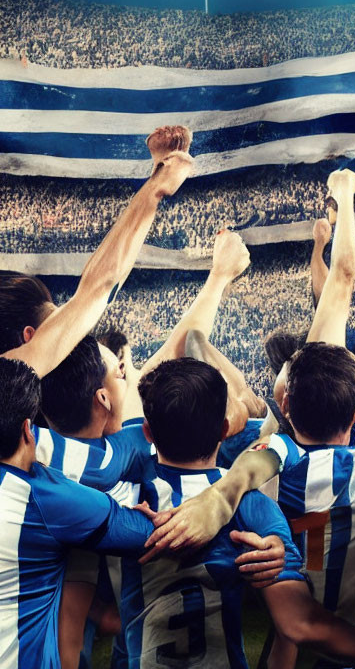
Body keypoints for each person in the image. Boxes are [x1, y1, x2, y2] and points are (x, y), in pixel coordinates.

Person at [0, 128, 194, 669]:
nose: (72, 325)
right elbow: (97, 288)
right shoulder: (44, 467)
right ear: (29, 345)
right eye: (55, 322)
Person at [117, 357, 355, 668]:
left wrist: (219, 498)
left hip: (288, 650)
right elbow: (298, 620)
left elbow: (263, 455)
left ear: (285, 405)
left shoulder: (123, 491)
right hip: (353, 643)